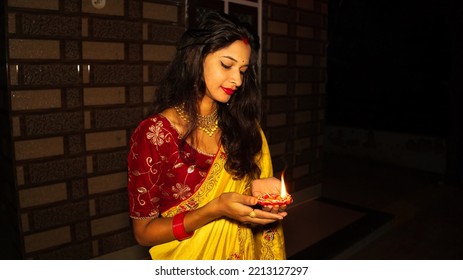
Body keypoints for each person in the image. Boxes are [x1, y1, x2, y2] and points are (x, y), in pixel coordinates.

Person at [127, 11, 289, 260]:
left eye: (243, 70)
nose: (236, 80)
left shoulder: (244, 126)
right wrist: (214, 210)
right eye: (226, 65)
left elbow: (245, 199)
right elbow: (144, 233)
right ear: (196, 57)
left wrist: (258, 194)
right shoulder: (156, 134)